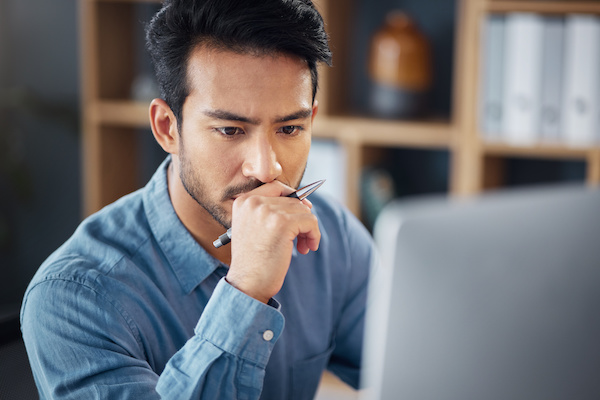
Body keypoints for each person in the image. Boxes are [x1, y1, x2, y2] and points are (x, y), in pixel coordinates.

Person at [20, 0, 375, 398]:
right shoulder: (72, 297)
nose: (266, 168)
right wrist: (246, 292)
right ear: (167, 128)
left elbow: (416, 368)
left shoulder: (334, 234)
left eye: (290, 128)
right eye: (230, 130)